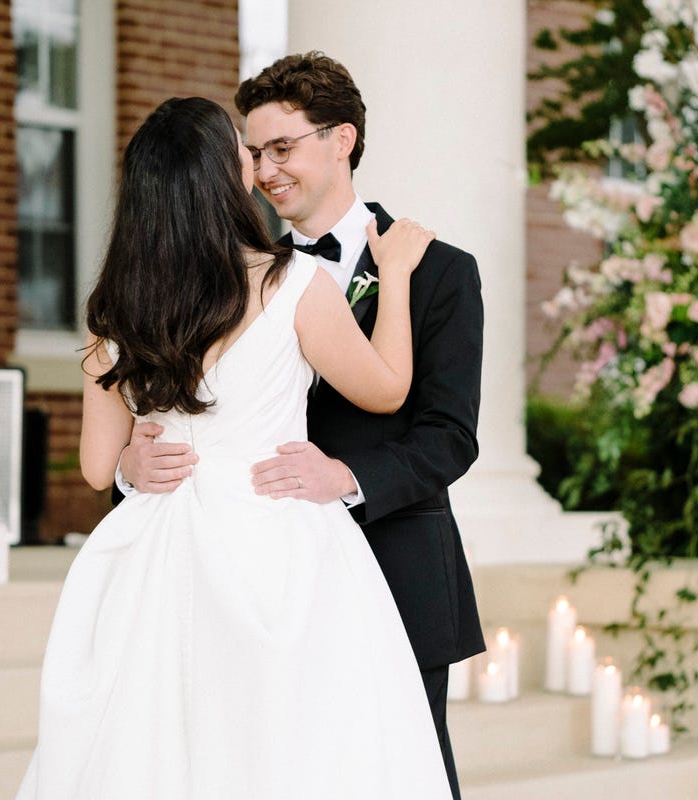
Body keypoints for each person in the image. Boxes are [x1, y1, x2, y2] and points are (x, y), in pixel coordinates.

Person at [15, 96, 453, 800]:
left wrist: (131, 460)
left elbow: (98, 467)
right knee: (282, 743)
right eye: (244, 151)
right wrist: (395, 277)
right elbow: (387, 389)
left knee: (159, 742)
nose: (257, 162)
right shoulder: (293, 282)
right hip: (274, 537)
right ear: (226, 176)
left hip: (159, 548)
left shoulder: (114, 307)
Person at [118, 52, 485, 798]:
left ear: (341, 139)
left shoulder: (439, 270)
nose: (263, 171)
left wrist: (345, 477)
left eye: (281, 148)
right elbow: (174, 408)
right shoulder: (226, 278)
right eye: (252, 153)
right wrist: (131, 468)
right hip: (250, 585)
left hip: (395, 567)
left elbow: (450, 434)